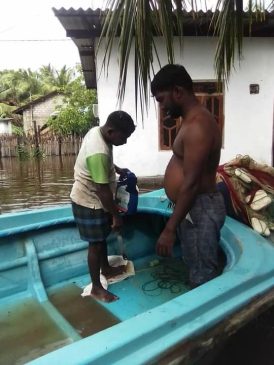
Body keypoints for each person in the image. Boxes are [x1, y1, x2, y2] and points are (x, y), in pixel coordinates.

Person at [151, 64, 226, 288]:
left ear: (177, 92)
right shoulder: (190, 120)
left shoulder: (197, 126)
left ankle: (211, 320)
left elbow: (191, 183)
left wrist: (169, 228)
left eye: (162, 99)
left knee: (203, 275)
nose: (162, 107)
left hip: (200, 207)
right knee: (195, 265)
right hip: (193, 208)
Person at [70, 111, 135, 302]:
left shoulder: (97, 132)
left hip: (95, 199)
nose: (125, 141)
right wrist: (116, 215)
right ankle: (96, 288)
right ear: (111, 130)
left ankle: (105, 268)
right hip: (89, 201)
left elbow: (102, 162)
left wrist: (116, 168)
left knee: (101, 237)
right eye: (124, 136)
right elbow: (102, 191)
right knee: (96, 244)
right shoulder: (99, 151)